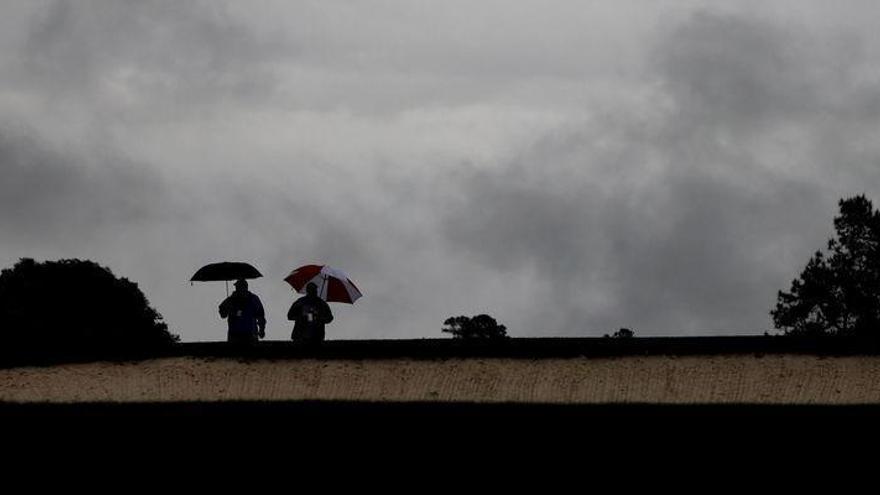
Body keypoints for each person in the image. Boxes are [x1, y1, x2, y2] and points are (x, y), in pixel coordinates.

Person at [219, 279, 266, 344]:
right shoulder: (254, 299)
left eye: (237, 287)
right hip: (247, 334)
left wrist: (228, 309)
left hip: (236, 335)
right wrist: (262, 330)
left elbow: (223, 314)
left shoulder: (232, 299)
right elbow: (261, 316)